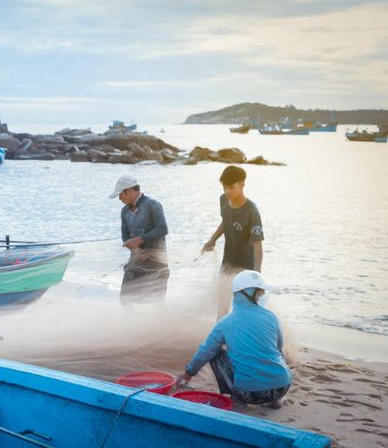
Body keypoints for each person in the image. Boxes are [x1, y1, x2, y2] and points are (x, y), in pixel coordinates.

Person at [175, 270, 292, 409]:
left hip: (248, 393)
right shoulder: (271, 317)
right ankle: (274, 400)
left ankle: (237, 398)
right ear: (249, 294)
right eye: (260, 292)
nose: (263, 295)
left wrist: (188, 373)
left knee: (216, 353)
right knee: (274, 352)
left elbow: (205, 351)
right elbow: (279, 348)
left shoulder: (226, 322)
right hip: (282, 387)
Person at [202, 165, 264, 317]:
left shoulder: (251, 210)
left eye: (231, 187)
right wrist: (213, 239)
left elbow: (257, 245)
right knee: (222, 303)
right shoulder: (223, 200)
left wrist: (257, 274)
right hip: (228, 261)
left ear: (242, 183)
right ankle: (220, 334)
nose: (227, 192)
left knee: (245, 308)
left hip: (246, 266)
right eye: (224, 187)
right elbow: (225, 221)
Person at [110, 175, 169, 305]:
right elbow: (125, 236)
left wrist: (141, 239)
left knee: (155, 302)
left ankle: (160, 324)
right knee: (125, 298)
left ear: (129, 191)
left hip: (156, 263)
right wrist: (137, 251)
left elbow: (163, 229)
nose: (119, 198)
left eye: (120, 195)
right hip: (135, 261)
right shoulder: (124, 211)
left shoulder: (153, 205)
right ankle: (129, 323)